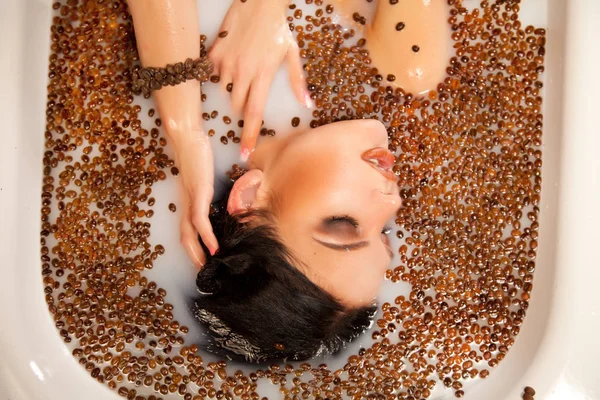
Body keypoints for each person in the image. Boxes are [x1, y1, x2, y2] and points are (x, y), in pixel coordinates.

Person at [127, 0, 448, 361]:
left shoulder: (209, 95)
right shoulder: (409, 69)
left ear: (248, 200)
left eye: (344, 227)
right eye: (383, 234)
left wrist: (184, 130)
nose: (392, 202)